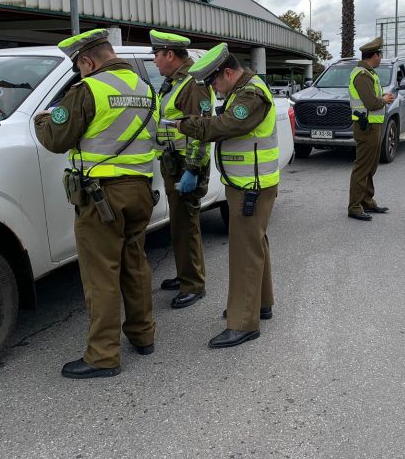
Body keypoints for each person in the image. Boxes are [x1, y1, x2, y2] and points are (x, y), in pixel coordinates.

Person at [34, 28, 158, 379]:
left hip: (102, 197)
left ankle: (103, 356)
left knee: (101, 273)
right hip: (140, 191)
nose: (79, 72)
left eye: (78, 66)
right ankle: (143, 335)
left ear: (87, 60)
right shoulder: (146, 89)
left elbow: (56, 139)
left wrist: (42, 118)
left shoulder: (88, 89)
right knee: (135, 264)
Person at [172, 43, 277, 348]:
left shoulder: (250, 94)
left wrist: (187, 125)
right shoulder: (242, 89)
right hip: (250, 183)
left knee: (244, 251)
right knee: (254, 243)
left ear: (228, 72)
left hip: (251, 185)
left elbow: (228, 124)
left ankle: (243, 322)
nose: (213, 89)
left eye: (215, 81)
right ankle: (259, 303)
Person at [150, 29, 215, 309]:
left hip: (186, 165)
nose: (154, 61)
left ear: (169, 55)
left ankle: (194, 284)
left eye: (156, 55)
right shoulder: (173, 81)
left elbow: (201, 130)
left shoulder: (194, 83)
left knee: (187, 224)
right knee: (178, 223)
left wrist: (192, 169)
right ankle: (184, 274)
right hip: (172, 162)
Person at [347, 36, 395, 221]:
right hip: (366, 127)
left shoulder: (369, 73)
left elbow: (370, 100)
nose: (381, 59)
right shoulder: (362, 75)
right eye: (380, 55)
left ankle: (367, 200)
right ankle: (355, 206)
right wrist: (384, 99)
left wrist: (380, 98)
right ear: (374, 55)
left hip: (372, 125)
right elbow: (371, 102)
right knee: (362, 167)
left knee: (370, 166)